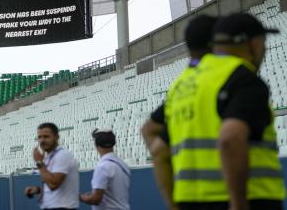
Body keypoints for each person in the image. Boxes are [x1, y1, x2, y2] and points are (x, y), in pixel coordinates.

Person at [156, 13, 286, 210]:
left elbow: (159, 150)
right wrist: (239, 203)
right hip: (251, 199)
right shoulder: (242, 78)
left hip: (189, 202)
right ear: (253, 44)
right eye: (263, 42)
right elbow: (230, 138)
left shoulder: (183, 84)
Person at [141, 14, 216, 209]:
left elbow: (149, 131)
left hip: (186, 194)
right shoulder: (223, 79)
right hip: (221, 194)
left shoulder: (180, 86)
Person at [24, 122, 79, 210]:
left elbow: (53, 184)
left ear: (57, 137)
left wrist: (39, 162)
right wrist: (38, 190)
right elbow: (54, 188)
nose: (42, 140)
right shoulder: (49, 157)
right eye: (39, 137)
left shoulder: (62, 155)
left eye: (46, 136)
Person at [80, 129, 130, 210]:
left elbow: (95, 200)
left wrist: (79, 197)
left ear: (96, 145)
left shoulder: (102, 167)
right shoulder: (123, 165)